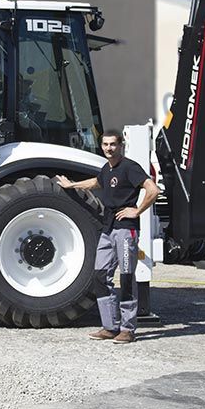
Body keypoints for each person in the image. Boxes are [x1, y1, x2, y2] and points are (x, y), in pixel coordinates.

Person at [58, 129, 159, 344]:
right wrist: (72, 185)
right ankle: (110, 326)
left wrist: (137, 211)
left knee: (126, 277)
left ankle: (128, 329)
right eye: (105, 145)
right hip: (108, 227)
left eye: (113, 144)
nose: (109, 148)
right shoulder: (107, 169)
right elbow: (96, 182)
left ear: (121, 145)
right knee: (99, 276)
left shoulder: (130, 168)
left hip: (126, 229)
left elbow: (153, 189)